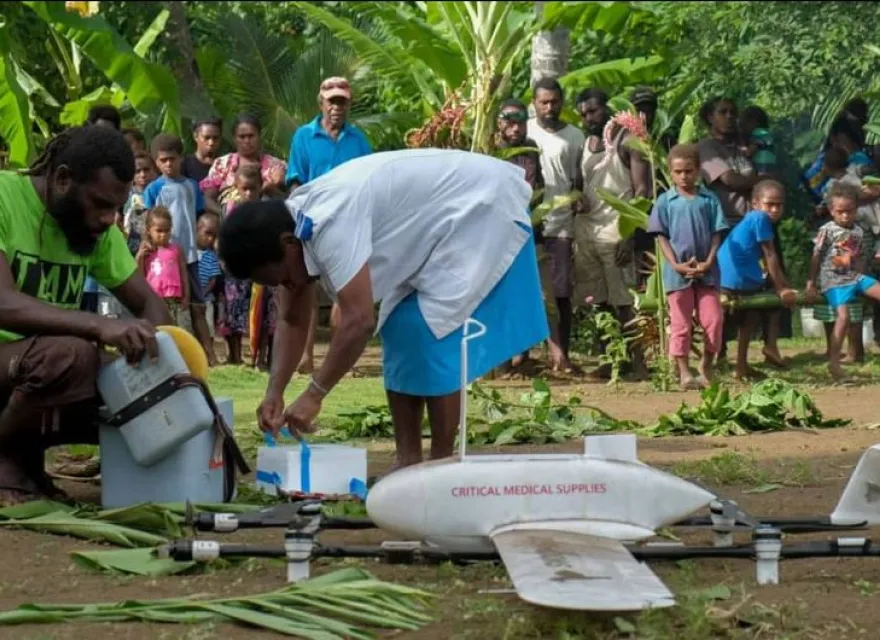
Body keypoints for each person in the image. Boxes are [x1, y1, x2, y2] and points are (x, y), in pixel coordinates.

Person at [217, 149, 549, 470]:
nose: (286, 286)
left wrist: (314, 394)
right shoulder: (290, 228)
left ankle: (443, 463)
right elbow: (291, 318)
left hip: (477, 208)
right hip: (433, 230)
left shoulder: (329, 223)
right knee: (397, 326)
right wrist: (275, 391)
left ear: (288, 244)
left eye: (282, 278)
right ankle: (407, 460)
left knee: (431, 328)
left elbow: (359, 321)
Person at [0, 125, 171, 504]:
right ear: (62, 179)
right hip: (16, 363)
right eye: (100, 204)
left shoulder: (96, 229)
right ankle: (7, 464)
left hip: (33, 370)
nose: (111, 219)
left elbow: (149, 304)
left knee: (131, 386)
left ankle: (23, 464)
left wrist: (171, 368)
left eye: (116, 207)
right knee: (71, 355)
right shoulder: (3, 197)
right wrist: (100, 325)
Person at [286, 77, 373, 375]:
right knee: (307, 288)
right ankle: (305, 356)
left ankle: (341, 358)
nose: (336, 107)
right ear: (320, 102)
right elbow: (295, 179)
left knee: (345, 291)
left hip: (349, 223)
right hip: (312, 221)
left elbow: (369, 182)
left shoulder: (358, 140)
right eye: (331, 101)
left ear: (348, 104)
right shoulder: (303, 136)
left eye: (342, 102)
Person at [575, 87, 647, 380]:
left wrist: (629, 235)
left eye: (593, 111)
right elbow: (579, 183)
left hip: (617, 229)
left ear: (608, 108)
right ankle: (612, 359)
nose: (588, 118)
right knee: (598, 301)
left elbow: (643, 190)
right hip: (587, 232)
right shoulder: (585, 142)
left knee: (625, 302)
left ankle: (640, 362)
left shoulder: (628, 141)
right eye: (583, 114)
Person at [648, 145, 728, 389]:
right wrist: (675, 265)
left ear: (698, 171)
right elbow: (661, 236)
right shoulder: (665, 202)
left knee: (713, 320)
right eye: (678, 172)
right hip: (677, 274)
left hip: (707, 273)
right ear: (671, 173)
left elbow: (717, 233)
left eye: (689, 171)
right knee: (681, 325)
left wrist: (709, 261)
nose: (684, 176)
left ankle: (706, 363)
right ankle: (684, 372)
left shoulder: (709, 199)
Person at [527, 78, 585, 374]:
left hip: (562, 225)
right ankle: (522, 356)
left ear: (562, 102)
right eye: (544, 102)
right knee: (528, 292)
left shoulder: (575, 136)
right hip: (529, 224)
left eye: (554, 101)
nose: (550, 107)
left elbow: (578, 179)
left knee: (560, 294)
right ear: (534, 103)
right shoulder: (523, 131)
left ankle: (563, 354)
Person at [717, 180, 797, 380]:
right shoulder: (759, 218)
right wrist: (782, 289)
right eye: (769, 204)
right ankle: (763, 351)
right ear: (755, 204)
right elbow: (770, 255)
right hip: (738, 279)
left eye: (779, 205)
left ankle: (740, 364)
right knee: (764, 306)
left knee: (750, 314)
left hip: (727, 277)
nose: (774, 209)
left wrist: (783, 284)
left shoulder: (752, 219)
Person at [143, 134, 212, 350]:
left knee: (197, 305)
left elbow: (198, 216)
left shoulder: (192, 186)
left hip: (189, 254)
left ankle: (208, 352)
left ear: (180, 158)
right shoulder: (154, 189)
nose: (168, 164)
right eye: (163, 160)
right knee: (163, 304)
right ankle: (167, 349)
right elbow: (147, 220)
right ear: (156, 161)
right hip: (163, 257)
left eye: (172, 159)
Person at [807, 182, 880, 382]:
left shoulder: (858, 230)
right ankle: (834, 361)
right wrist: (811, 282)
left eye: (849, 211)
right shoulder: (827, 230)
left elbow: (858, 257)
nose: (845, 216)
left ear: (856, 210)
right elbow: (816, 255)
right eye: (840, 212)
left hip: (854, 276)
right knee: (843, 317)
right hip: (833, 279)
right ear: (831, 211)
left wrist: (862, 275)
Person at [495, 98, 544, 374]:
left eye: (520, 123)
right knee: (499, 294)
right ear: (500, 123)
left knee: (525, 294)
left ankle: (522, 357)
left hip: (527, 227)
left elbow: (540, 185)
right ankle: (500, 359)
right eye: (510, 123)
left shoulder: (531, 148)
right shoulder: (490, 149)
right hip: (497, 234)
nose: (515, 129)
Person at [216, 164, 263, 365]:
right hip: (234, 267)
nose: (249, 193)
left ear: (260, 186)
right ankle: (233, 354)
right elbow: (224, 235)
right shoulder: (231, 208)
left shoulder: (264, 208)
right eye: (244, 189)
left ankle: (253, 355)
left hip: (256, 267)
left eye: (253, 188)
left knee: (253, 309)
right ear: (236, 187)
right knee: (232, 309)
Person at [201, 113, 287, 213]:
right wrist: (225, 215)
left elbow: (289, 200)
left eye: (251, 136)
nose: (247, 141)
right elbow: (207, 199)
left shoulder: (276, 166)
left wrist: (274, 187)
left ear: (259, 136)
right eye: (242, 137)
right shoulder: (222, 164)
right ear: (234, 139)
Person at [137, 207, 190, 327]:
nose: (163, 235)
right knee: (156, 328)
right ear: (149, 230)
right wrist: (140, 256)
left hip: (172, 298)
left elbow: (183, 274)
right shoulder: (146, 251)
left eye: (167, 231)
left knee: (171, 327)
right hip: (153, 297)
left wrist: (186, 296)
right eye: (159, 231)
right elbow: (140, 274)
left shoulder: (176, 249)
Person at [196, 212, 223, 364]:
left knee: (209, 326)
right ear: (197, 229)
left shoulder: (211, 256)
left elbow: (213, 279)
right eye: (207, 233)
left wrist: (204, 291)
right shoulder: (189, 252)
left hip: (206, 298)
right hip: (191, 297)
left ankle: (208, 355)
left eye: (214, 235)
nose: (210, 238)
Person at [123, 151, 157, 255]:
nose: (143, 175)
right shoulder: (126, 194)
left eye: (146, 170)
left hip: (156, 245)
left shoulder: (161, 193)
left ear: (155, 170)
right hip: (132, 247)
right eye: (138, 171)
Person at [183, 117, 223, 185]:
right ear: (195, 136)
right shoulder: (184, 165)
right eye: (206, 138)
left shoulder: (226, 165)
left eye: (215, 138)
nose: (211, 143)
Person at [739, 106, 776, 176]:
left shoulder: (760, 133)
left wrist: (741, 148)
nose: (742, 128)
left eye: (743, 124)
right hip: (768, 172)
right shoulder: (766, 134)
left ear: (754, 122)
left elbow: (749, 152)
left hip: (763, 173)